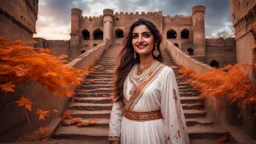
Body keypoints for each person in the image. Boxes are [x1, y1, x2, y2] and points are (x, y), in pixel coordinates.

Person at [109, 18, 190, 144]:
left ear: (155, 40)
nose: (140, 40)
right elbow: (118, 107)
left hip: (152, 133)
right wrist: (114, 138)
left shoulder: (165, 73)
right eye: (135, 36)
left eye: (146, 35)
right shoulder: (125, 70)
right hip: (127, 132)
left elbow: (172, 116)